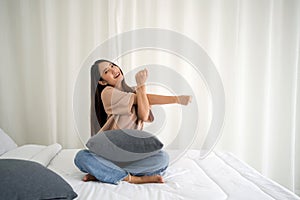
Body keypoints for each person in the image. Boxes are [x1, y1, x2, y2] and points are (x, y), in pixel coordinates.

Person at [74, 60, 192, 184]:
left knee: (163, 158)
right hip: (111, 152)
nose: (114, 70)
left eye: (112, 65)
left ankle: (105, 173)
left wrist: (140, 88)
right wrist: (176, 99)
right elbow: (141, 99)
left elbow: (144, 114)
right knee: (81, 157)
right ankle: (135, 178)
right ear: (102, 81)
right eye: (106, 71)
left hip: (131, 154)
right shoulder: (107, 93)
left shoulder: (136, 91)